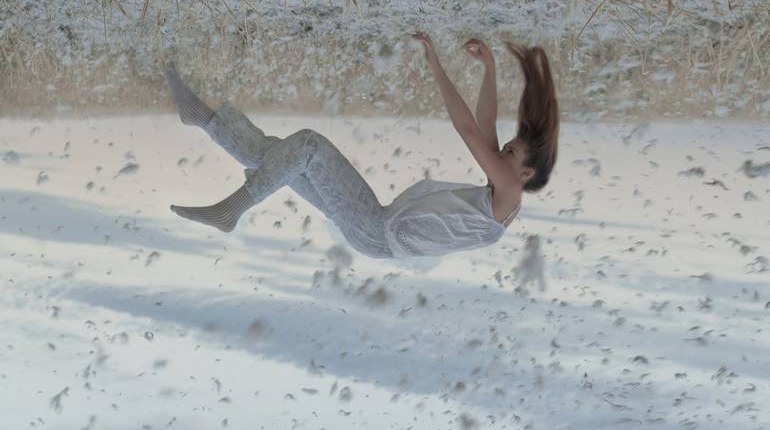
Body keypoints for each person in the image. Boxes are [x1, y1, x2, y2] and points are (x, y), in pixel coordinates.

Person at [166, 35, 559, 259]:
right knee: (284, 156)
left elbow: (471, 132)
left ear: (525, 174)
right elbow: (486, 125)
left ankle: (230, 210)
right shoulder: (500, 196)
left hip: (376, 229)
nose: (500, 153)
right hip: (376, 224)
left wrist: (437, 68)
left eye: (510, 153)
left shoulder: (508, 194)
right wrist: (489, 69)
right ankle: (201, 117)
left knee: (307, 146)